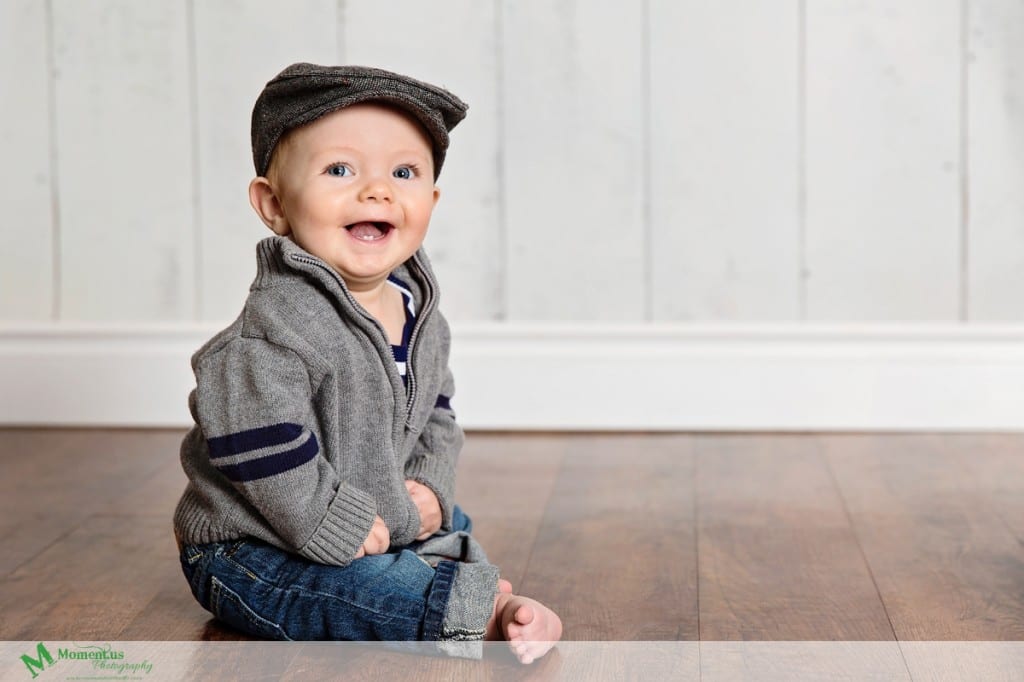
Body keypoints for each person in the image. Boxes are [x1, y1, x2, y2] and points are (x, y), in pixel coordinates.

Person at [172, 63, 561, 663]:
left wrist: (430, 485)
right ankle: (468, 612)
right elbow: (259, 448)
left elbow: (436, 412)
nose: (377, 190)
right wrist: (330, 517)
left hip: (370, 507)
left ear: (429, 200)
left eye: (403, 173)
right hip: (254, 544)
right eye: (340, 170)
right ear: (273, 204)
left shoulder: (418, 311)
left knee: (448, 518)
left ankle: (447, 583)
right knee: (353, 589)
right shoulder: (274, 331)